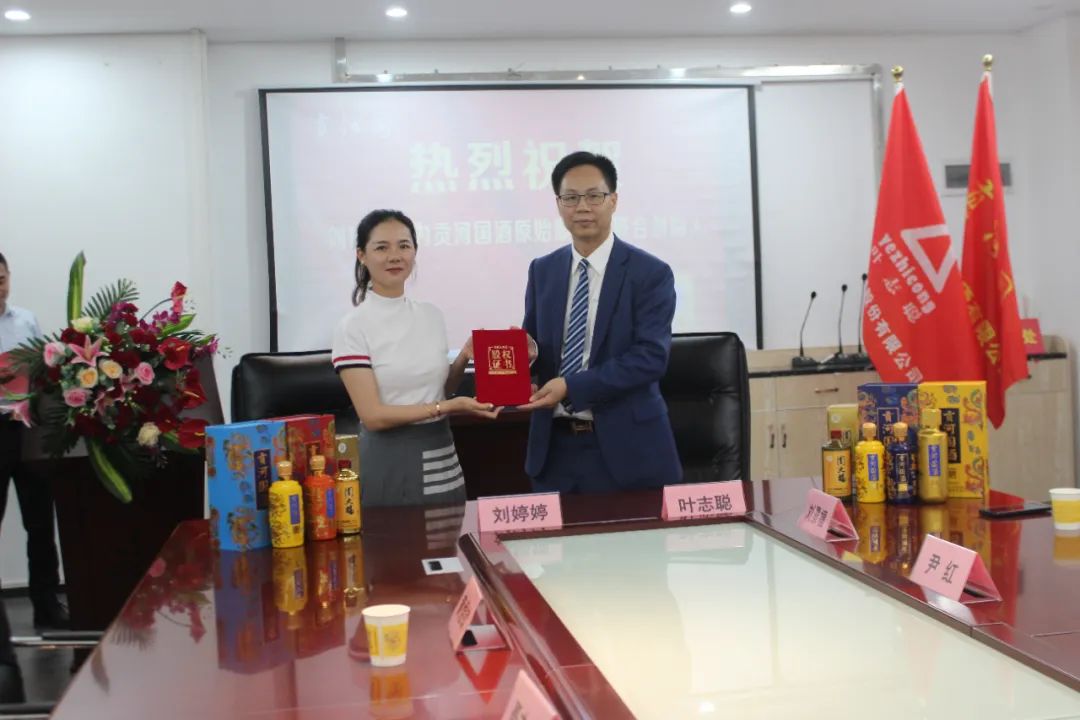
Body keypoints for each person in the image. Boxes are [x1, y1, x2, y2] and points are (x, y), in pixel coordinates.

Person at [520, 152, 682, 493]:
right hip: (553, 452)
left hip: (629, 452)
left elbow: (650, 357)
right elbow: (534, 345)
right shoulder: (542, 270)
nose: (582, 207)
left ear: (613, 200)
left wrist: (572, 387)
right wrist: (522, 361)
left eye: (594, 196)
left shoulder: (650, 273)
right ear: (559, 204)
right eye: (571, 197)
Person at [332, 210, 499, 507]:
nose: (394, 256)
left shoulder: (431, 315)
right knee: (396, 538)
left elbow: (439, 390)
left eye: (404, 246)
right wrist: (447, 407)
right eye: (382, 247)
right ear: (361, 255)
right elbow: (372, 416)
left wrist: (464, 357)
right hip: (389, 463)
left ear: (415, 251)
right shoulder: (353, 327)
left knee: (448, 535)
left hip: (442, 456)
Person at [0, 253, 68, 630]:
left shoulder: (26, 320)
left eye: (1, 278)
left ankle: (47, 605)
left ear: (9, 277)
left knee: (40, 523)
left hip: (28, 430)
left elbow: (42, 373)